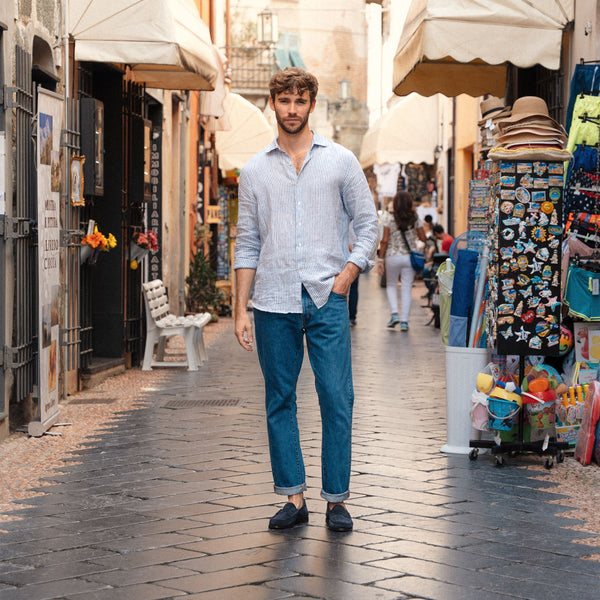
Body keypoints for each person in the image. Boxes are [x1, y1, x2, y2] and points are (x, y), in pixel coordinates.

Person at [234, 67, 379, 532]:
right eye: (284, 101)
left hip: (326, 298)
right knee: (280, 399)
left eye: (299, 101)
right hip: (272, 301)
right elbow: (247, 243)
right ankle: (293, 498)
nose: (291, 110)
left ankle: (336, 500)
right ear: (272, 104)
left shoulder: (341, 161)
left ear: (311, 104)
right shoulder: (255, 171)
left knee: (337, 396)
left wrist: (348, 274)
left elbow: (369, 225)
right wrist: (240, 307)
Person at [377, 190, 426, 331]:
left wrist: (380, 259)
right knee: (406, 288)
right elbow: (423, 238)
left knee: (391, 285)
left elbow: (385, 240)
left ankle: (394, 314)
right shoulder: (415, 217)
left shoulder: (388, 218)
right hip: (408, 257)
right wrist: (414, 237)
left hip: (392, 256)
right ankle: (404, 321)